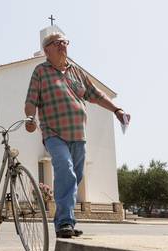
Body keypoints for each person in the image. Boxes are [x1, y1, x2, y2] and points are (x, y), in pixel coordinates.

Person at [24, 32, 131, 238]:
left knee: (74, 177)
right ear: (47, 50)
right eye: (58, 43)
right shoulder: (40, 71)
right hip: (54, 133)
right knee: (66, 169)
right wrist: (30, 118)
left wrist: (117, 110)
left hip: (78, 134)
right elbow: (31, 101)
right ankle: (64, 222)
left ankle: (67, 221)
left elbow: (96, 95)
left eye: (65, 42)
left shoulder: (76, 72)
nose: (63, 46)